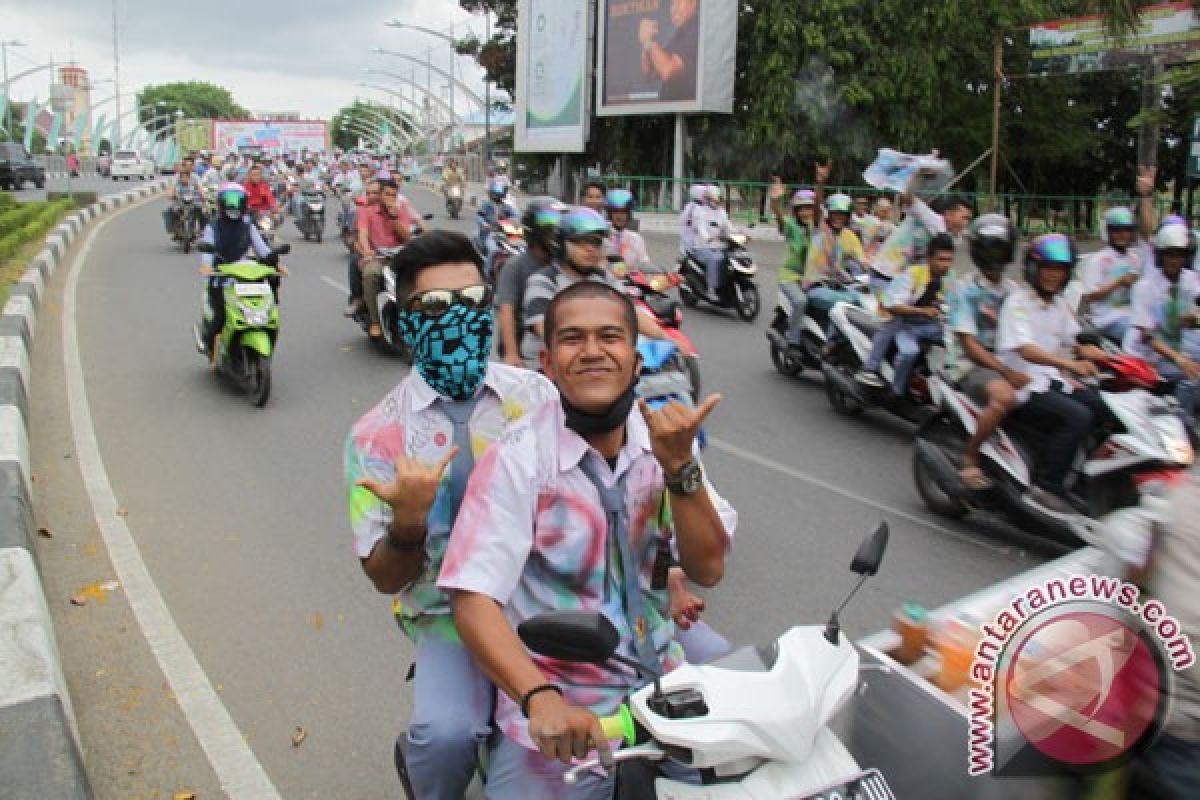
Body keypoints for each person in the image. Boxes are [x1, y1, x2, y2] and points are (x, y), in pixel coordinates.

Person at [438, 279, 737, 797]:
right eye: (573, 339)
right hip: (563, 711)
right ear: (549, 363)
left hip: (663, 688)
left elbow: (708, 568)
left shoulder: (663, 443)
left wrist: (680, 468)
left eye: (610, 337)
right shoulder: (517, 459)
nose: (593, 351)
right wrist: (540, 698)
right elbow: (474, 598)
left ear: (636, 360)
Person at [346, 230, 557, 800]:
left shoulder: (537, 399)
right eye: (436, 306)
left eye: (473, 301)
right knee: (446, 737)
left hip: (546, 600)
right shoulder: (377, 435)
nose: (458, 317)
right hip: (444, 612)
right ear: (405, 324)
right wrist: (408, 524)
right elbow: (384, 578)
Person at [995, 234, 1110, 514]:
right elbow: (1027, 350)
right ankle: (1046, 486)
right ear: (1034, 268)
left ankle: (1083, 476)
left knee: (1103, 406)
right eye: (1048, 268)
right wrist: (1070, 365)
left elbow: (1077, 341)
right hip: (1022, 385)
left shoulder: (1059, 305)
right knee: (1077, 416)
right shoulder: (1017, 303)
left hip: (1051, 382)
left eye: (1059, 270)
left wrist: (1106, 357)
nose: (1053, 275)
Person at [941, 215, 1028, 490]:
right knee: (1003, 397)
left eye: (1000, 249)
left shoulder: (1014, 290)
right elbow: (969, 345)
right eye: (990, 248)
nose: (995, 255)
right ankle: (970, 455)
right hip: (970, 365)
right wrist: (1005, 371)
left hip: (1008, 362)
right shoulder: (963, 289)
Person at [521, 207, 666, 368]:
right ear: (561, 244)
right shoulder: (545, 280)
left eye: (595, 242)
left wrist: (665, 339)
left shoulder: (604, 278)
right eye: (581, 241)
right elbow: (543, 327)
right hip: (549, 367)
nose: (590, 248)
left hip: (597, 360)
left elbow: (631, 312)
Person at [856, 232, 954, 398]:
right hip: (902, 324)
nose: (946, 265)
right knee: (909, 352)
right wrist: (923, 311)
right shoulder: (912, 274)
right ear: (929, 259)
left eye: (949, 260)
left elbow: (952, 303)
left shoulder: (949, 278)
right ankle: (896, 391)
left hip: (928, 324)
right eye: (941, 260)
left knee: (954, 344)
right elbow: (893, 305)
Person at [193, 183, 280, 359]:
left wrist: (274, 262)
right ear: (221, 204)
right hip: (221, 278)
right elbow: (207, 254)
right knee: (220, 315)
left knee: (266, 307)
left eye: (237, 201)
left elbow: (263, 250)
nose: (233, 206)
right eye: (229, 201)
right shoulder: (213, 228)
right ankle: (209, 343)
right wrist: (207, 266)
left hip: (246, 278)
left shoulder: (249, 227)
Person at [1125, 222, 1200, 425]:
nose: (1175, 260)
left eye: (1180, 255)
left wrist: (1196, 319)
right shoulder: (1145, 287)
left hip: (1183, 351)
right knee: (1191, 379)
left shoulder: (1192, 281)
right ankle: (1181, 429)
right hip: (1153, 356)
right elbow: (1147, 336)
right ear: (1160, 255)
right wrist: (1180, 360)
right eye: (1170, 254)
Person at [497, 198, 567, 368]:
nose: (557, 234)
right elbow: (506, 310)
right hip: (526, 346)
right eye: (551, 228)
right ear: (535, 231)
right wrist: (512, 354)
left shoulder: (565, 264)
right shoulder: (515, 266)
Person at [765, 164, 827, 350]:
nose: (806, 212)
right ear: (796, 212)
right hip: (790, 277)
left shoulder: (817, 228)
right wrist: (775, 200)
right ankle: (793, 341)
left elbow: (818, 209)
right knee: (800, 301)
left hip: (814, 277)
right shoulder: (792, 227)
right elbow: (779, 216)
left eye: (809, 209)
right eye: (802, 209)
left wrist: (820, 184)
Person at [357, 178, 414, 338]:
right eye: (387, 194)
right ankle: (375, 321)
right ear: (380, 195)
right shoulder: (366, 212)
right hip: (377, 258)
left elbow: (407, 238)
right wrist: (367, 251)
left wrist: (394, 217)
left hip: (399, 257)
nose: (390, 198)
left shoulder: (400, 211)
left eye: (393, 195)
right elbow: (363, 234)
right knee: (371, 274)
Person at [1079, 207, 1145, 342]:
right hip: (1106, 319)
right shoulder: (1098, 260)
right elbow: (1090, 296)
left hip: (1133, 315)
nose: (1122, 234)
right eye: (1116, 230)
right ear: (1108, 232)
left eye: (1126, 230)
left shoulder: (1135, 259)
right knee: (1137, 336)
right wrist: (1120, 282)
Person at [800, 192, 867, 319]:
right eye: (835, 214)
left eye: (843, 215)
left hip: (838, 286)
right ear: (829, 214)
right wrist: (821, 183)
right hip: (816, 286)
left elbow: (863, 260)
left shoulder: (850, 235)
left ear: (848, 217)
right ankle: (831, 339)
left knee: (863, 302)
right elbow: (816, 210)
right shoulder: (819, 229)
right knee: (846, 304)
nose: (839, 218)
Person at [639, 0, 700, 102]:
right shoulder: (679, 35)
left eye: (678, 2)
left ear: (693, 3)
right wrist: (646, 45)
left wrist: (648, 41)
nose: (673, 9)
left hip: (686, 109)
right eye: (672, 4)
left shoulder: (696, 30)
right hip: (671, 111)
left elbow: (668, 70)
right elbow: (651, 72)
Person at [691, 184, 737, 302]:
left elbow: (728, 227)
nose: (717, 202)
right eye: (714, 199)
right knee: (715, 259)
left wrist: (739, 233)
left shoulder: (722, 212)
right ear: (708, 199)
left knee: (734, 257)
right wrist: (707, 237)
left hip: (719, 246)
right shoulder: (700, 211)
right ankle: (711, 289)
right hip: (702, 247)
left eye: (718, 199)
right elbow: (700, 227)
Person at [603, 188, 651, 268]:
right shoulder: (602, 236)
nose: (619, 216)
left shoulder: (636, 239)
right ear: (609, 214)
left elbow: (645, 263)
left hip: (628, 279)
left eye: (623, 212)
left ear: (629, 214)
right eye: (615, 211)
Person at [163, 164, 206, 237]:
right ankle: (175, 228)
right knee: (171, 211)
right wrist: (171, 195)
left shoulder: (193, 184)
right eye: (182, 177)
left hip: (192, 203)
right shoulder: (177, 184)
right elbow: (171, 191)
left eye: (186, 177)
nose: (184, 178)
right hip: (180, 204)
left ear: (188, 177)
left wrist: (203, 196)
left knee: (203, 212)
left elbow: (200, 190)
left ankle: (202, 229)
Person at [678, 183, 707, 254]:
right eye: (704, 195)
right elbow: (700, 226)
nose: (706, 197)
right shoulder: (698, 209)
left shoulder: (689, 206)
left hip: (686, 239)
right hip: (693, 242)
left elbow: (682, 220)